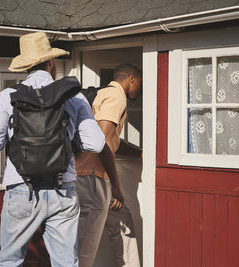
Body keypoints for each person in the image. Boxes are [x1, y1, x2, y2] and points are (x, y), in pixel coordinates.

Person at [0, 32, 105, 267]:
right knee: (66, 263)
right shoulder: (75, 97)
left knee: (10, 262)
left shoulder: (9, 97)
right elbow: (96, 144)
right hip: (63, 189)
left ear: (25, 66)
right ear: (51, 62)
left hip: (21, 188)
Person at [75, 63, 142, 267]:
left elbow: (113, 141)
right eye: (140, 82)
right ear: (131, 78)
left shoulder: (101, 95)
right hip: (94, 178)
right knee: (86, 246)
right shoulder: (116, 96)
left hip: (81, 174)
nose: (140, 88)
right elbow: (103, 141)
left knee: (121, 221)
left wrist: (141, 153)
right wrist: (116, 187)